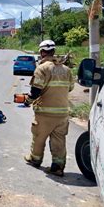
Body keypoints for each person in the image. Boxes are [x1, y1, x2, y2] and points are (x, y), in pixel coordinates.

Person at [23, 40, 75, 177]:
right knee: (59, 141)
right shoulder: (66, 69)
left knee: (39, 137)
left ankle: (35, 159)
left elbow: (35, 91)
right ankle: (57, 166)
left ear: (41, 52)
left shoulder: (42, 68)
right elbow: (70, 88)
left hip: (45, 113)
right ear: (53, 51)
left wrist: (27, 101)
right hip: (63, 113)